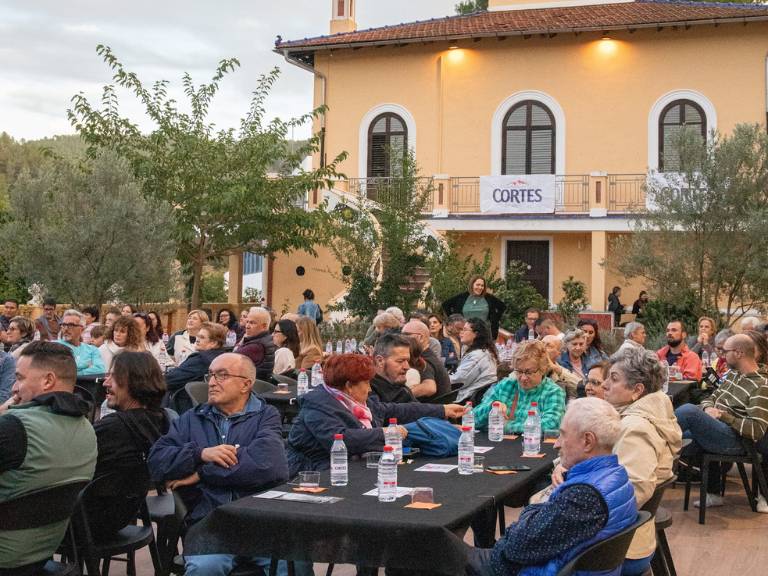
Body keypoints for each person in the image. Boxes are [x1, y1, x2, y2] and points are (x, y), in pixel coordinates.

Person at [147, 353, 289, 576]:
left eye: (222, 376)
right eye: (211, 375)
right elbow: (156, 462)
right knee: (205, 568)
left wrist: (202, 473)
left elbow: (271, 465)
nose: (212, 382)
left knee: (293, 564)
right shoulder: (192, 419)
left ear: (245, 385)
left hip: (261, 522)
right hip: (210, 523)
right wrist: (200, 453)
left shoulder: (266, 416)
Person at [465, 397, 637, 576]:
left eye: (562, 434)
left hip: (530, 570)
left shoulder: (584, 496)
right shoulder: (616, 474)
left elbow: (515, 548)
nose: (556, 443)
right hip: (553, 565)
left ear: (588, 441)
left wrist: (533, 508)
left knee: (443, 551)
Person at [0, 341, 97, 573]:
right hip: (41, 553)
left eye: (20, 378)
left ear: (48, 380)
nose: (14, 387)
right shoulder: (87, 430)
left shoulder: (15, 428)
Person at [287, 353, 466, 475]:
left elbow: (394, 409)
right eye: (366, 383)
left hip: (353, 468)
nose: (370, 388)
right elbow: (341, 439)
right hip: (315, 473)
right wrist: (385, 433)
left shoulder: (359, 400)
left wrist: (442, 410)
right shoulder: (317, 405)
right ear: (349, 385)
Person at [599, 347, 682, 575]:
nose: (604, 385)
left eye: (613, 379)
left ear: (637, 390)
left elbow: (633, 492)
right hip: (628, 537)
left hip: (617, 547)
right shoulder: (649, 415)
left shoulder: (635, 428)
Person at [676, 334, 768, 508]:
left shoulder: (762, 385)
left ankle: (651, 440)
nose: (722, 355)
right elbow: (711, 397)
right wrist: (708, 409)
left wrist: (722, 415)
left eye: (725, 351)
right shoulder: (733, 375)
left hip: (737, 441)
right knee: (682, 438)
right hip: (718, 431)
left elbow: (757, 429)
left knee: (688, 411)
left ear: (739, 353)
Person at [92, 351, 171, 534]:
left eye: (113, 376)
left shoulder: (112, 428)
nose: (105, 383)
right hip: (126, 515)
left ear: (135, 382)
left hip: (90, 523)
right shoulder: (162, 419)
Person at [473, 340, 566, 434]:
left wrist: (505, 426)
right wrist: (492, 407)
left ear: (543, 369)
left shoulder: (553, 392)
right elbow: (473, 419)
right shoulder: (506, 385)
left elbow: (550, 425)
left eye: (529, 372)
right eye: (519, 371)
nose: (523, 378)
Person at [165, 322, 228, 413]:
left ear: (214, 343)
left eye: (202, 337)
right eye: (198, 336)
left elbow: (169, 380)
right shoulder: (224, 356)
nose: (197, 340)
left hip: (187, 407)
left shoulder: (200, 359)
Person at [442, 275, 506, 339]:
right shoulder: (462, 297)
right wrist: (454, 320)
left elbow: (502, 306)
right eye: (477, 285)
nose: (480, 287)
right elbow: (445, 305)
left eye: (482, 285)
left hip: (484, 334)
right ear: (472, 285)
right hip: (464, 334)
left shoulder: (488, 298)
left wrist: (495, 319)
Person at [401, 320, 451, 401]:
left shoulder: (424, 360)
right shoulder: (428, 355)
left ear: (420, 337)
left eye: (405, 335)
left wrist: (400, 395)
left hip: (432, 410)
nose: (400, 338)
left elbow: (429, 388)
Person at [451, 318, 498, 403]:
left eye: (465, 330)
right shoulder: (480, 351)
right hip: (472, 395)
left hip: (469, 400)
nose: (461, 332)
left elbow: (459, 380)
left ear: (476, 334)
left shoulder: (477, 355)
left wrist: (441, 379)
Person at [370, 334, 418, 404]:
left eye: (407, 361)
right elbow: (385, 411)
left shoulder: (398, 385)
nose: (407, 367)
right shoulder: (368, 390)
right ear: (380, 361)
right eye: (400, 361)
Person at [57, 309, 106, 377]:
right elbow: (59, 372)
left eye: (71, 325)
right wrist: (87, 367)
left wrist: (77, 374)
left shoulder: (92, 349)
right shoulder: (54, 346)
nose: (65, 329)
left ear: (82, 328)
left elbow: (100, 369)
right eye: (64, 325)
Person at [234, 307, 275, 382]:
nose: (247, 326)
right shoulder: (263, 338)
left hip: (252, 388)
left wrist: (242, 341)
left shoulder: (256, 346)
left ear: (264, 326)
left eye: (252, 323)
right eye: (247, 322)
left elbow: (230, 360)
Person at [542, 335, 581, 400]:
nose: (543, 348)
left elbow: (581, 388)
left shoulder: (560, 370)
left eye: (548, 346)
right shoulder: (527, 366)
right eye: (542, 344)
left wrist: (557, 370)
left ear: (558, 353)